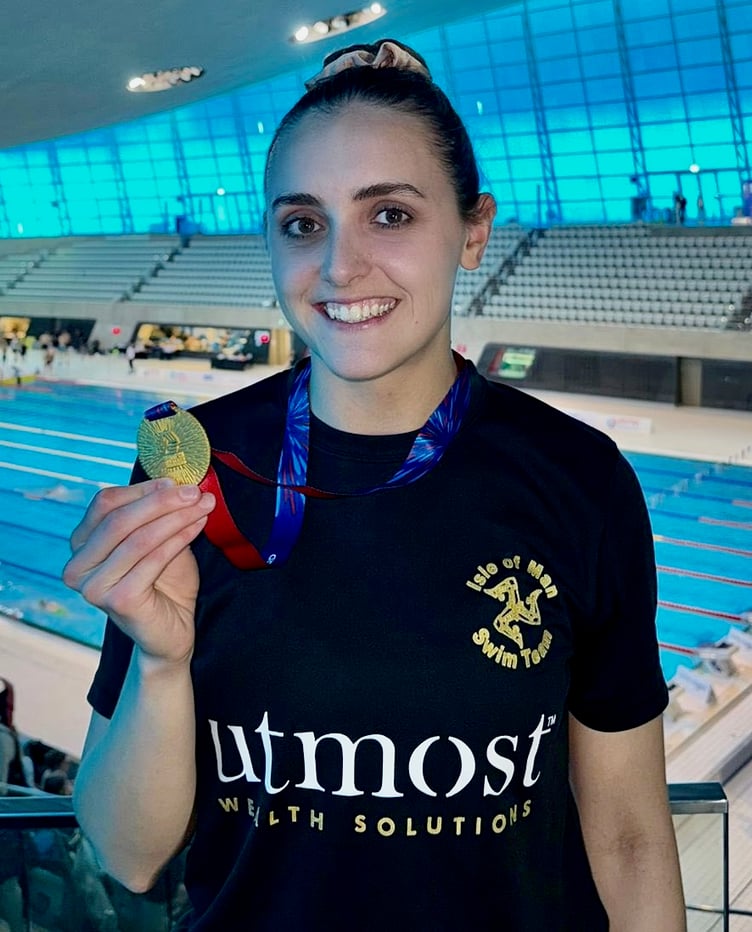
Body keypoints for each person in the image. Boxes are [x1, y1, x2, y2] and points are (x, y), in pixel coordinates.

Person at [64, 38, 686, 931]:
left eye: (388, 215)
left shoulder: (578, 480)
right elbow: (128, 854)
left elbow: (628, 835)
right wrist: (161, 663)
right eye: (304, 223)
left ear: (474, 231)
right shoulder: (197, 464)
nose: (340, 268)